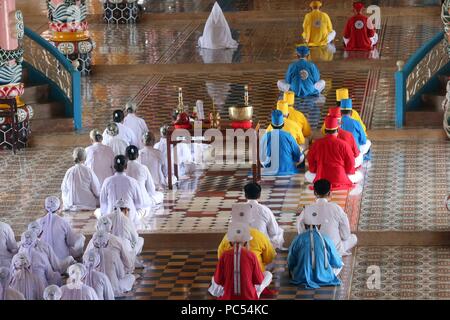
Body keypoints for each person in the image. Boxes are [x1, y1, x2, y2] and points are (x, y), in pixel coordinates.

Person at [209, 223, 272, 300]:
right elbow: (258, 280)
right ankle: (257, 293)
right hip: (249, 297)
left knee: (214, 278)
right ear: (246, 242)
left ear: (231, 242)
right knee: (268, 274)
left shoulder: (224, 255)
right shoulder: (251, 255)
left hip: (228, 296)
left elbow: (218, 280)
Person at [297, 179, 357, 256]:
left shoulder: (306, 209)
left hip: (313, 251)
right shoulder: (336, 208)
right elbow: (345, 235)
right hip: (334, 250)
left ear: (315, 193)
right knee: (353, 238)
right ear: (329, 193)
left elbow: (301, 232)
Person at [306, 116, 362, 190]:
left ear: (325, 131)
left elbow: (310, 159)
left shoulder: (316, 143)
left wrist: (316, 170)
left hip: (322, 178)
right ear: (337, 131)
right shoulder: (344, 144)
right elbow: (351, 163)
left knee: (308, 175)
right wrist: (347, 172)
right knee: (359, 175)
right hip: (340, 178)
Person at [218, 204, 276, 272]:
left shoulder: (227, 237)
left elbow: (220, 257)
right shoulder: (258, 235)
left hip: (230, 276)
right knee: (269, 269)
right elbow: (269, 257)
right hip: (255, 276)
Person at [288, 220, 343, 289]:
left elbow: (291, 263)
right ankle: (324, 275)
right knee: (340, 262)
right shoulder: (326, 238)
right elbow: (337, 263)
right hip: (324, 276)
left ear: (304, 225)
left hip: (301, 277)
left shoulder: (298, 239)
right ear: (319, 226)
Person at [99, 155, 145, 225]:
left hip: (111, 218)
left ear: (114, 167)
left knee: (98, 211)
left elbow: (103, 202)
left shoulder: (107, 181)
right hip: (129, 217)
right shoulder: (132, 181)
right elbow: (139, 203)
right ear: (126, 166)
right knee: (144, 209)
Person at [35, 196, 85, 260]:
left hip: (43, 259)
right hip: (61, 259)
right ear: (59, 208)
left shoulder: (38, 222)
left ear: (44, 207)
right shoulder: (63, 222)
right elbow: (72, 242)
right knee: (81, 238)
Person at [89, 231, 135, 296]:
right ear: (107, 241)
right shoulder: (113, 254)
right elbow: (120, 274)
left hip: (92, 290)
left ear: (93, 242)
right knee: (131, 277)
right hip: (112, 289)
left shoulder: (88, 255)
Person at [260, 110, 304, 176]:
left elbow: (261, 155)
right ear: (283, 124)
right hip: (288, 169)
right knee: (302, 155)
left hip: (270, 169)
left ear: (271, 125)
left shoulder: (266, 136)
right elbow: (297, 154)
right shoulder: (288, 135)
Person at [244, 183, 284, 250]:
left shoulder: (238, 209)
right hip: (261, 245)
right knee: (279, 232)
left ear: (245, 195)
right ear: (259, 195)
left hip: (242, 244)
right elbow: (273, 231)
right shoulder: (264, 209)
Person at [126, 145, 164, 214]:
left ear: (126, 156)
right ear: (137, 156)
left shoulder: (123, 169)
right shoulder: (143, 168)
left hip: (127, 202)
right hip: (142, 202)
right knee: (160, 195)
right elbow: (151, 189)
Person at [61, 147, 101, 211]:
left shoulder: (69, 171)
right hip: (87, 203)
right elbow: (96, 190)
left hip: (72, 203)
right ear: (85, 158)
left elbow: (64, 189)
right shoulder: (88, 170)